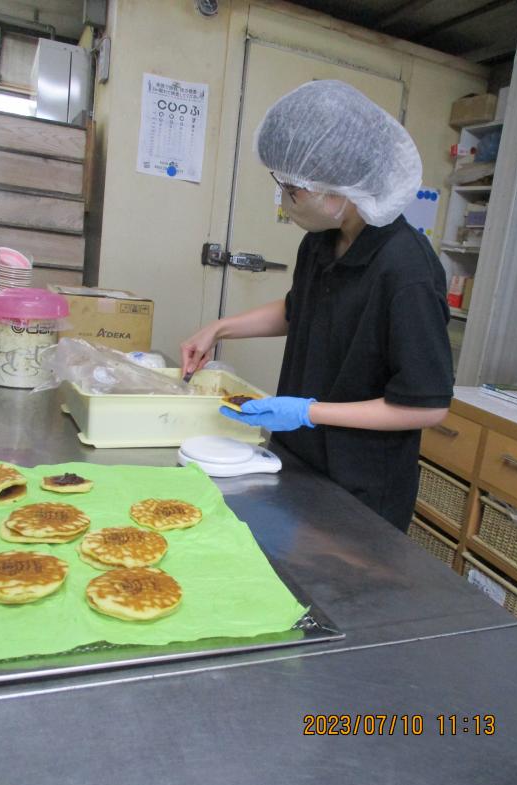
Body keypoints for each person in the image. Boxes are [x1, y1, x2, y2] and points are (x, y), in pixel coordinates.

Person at [181, 80, 453, 532]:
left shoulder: (407, 272)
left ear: (341, 190)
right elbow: (299, 310)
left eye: (293, 189)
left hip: (361, 487)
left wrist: (307, 412)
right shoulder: (322, 241)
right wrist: (220, 328)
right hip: (298, 458)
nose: (285, 199)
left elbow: (428, 405)